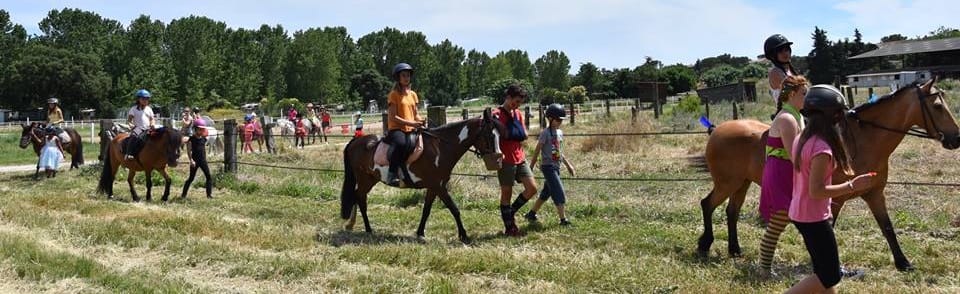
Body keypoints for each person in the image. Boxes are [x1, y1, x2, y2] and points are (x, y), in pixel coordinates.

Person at [785, 85, 875, 293]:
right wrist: (852, 185)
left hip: (800, 213)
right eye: (838, 113)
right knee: (830, 275)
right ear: (831, 116)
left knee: (823, 272)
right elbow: (816, 190)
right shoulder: (822, 149)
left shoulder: (802, 138)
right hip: (813, 218)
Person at [757, 75, 809, 278]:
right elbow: (793, 152)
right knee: (779, 220)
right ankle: (764, 268)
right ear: (792, 94)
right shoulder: (787, 119)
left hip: (789, 171)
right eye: (804, 94)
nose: (807, 98)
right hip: (781, 173)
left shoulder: (797, 115)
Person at [493, 84, 538, 236]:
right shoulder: (496, 114)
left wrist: (512, 133)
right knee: (506, 193)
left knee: (532, 188)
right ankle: (510, 227)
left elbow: (523, 134)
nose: (517, 105)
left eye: (519, 103)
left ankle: (510, 212)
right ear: (508, 97)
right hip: (505, 158)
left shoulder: (517, 114)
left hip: (520, 156)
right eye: (516, 101)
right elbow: (496, 136)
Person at [524, 103, 576, 226]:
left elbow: (560, 152)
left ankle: (531, 214)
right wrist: (531, 166)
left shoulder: (560, 133)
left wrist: (569, 165)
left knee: (546, 192)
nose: (560, 122)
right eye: (558, 119)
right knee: (558, 190)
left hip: (557, 166)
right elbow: (537, 150)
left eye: (561, 120)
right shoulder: (545, 133)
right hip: (548, 167)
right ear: (550, 119)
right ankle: (563, 220)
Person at [385, 62, 425, 187]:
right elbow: (393, 117)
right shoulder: (394, 95)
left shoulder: (413, 94)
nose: (406, 78)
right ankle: (391, 175)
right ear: (398, 78)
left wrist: (420, 121)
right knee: (401, 143)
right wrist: (412, 123)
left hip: (411, 127)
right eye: (403, 75)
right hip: (396, 129)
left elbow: (415, 113)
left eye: (408, 75)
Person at [181, 119, 213, 199]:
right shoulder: (191, 140)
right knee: (191, 178)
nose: (202, 130)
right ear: (195, 129)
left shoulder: (204, 139)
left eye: (203, 129)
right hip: (194, 162)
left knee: (208, 177)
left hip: (203, 161)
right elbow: (189, 151)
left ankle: (209, 195)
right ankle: (183, 195)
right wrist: (191, 160)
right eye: (200, 129)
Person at [764, 34, 797, 104]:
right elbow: (795, 91)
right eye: (780, 51)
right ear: (772, 55)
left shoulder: (790, 70)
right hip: (787, 112)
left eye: (786, 49)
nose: (785, 53)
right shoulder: (775, 72)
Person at [125, 89, 156, 160]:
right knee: (133, 137)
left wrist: (153, 124)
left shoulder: (149, 109)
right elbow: (129, 120)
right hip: (137, 128)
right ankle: (129, 153)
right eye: (143, 98)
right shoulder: (133, 109)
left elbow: (152, 119)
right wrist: (131, 125)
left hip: (148, 129)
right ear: (139, 99)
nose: (146, 100)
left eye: (147, 98)